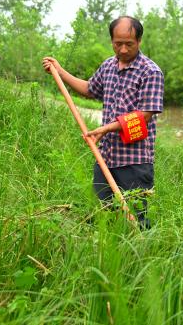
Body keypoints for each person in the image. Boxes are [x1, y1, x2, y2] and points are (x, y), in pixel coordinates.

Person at [43, 16, 164, 228]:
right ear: (112, 41)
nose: (124, 50)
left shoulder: (150, 72)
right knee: (103, 215)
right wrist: (60, 72)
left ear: (139, 41)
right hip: (106, 157)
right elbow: (90, 89)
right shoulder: (108, 66)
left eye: (129, 44)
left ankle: (141, 256)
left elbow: (144, 115)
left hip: (134, 161)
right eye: (118, 44)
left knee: (137, 220)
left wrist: (106, 128)